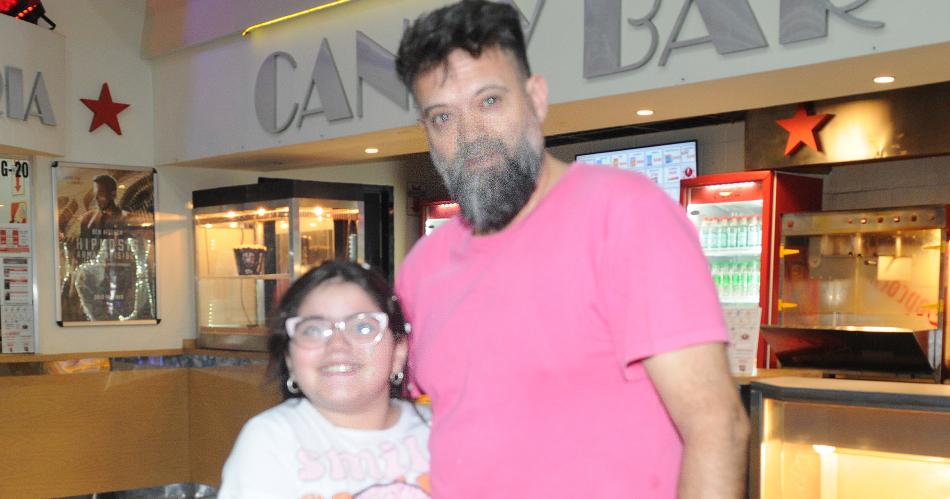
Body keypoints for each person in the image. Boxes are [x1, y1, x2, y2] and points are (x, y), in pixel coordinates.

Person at [394, 1, 750, 498]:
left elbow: (717, 428)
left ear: (536, 98)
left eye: (489, 101)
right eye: (443, 117)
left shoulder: (626, 217)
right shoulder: (421, 268)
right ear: (427, 133)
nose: (470, 136)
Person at [219, 261, 432, 498]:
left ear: (399, 352)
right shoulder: (272, 440)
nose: (337, 345)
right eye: (313, 330)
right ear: (290, 359)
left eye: (362, 327)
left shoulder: (438, 431)